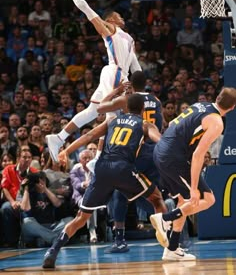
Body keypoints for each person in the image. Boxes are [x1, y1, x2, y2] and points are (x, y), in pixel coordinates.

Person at [42, 93, 166, 268]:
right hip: (123, 168)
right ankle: (172, 243)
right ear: (143, 109)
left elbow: (87, 137)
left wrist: (66, 152)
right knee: (156, 198)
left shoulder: (112, 121)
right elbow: (161, 142)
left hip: (102, 170)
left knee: (81, 217)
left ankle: (53, 250)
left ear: (126, 108)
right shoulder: (145, 124)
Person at [46, 0, 141, 162]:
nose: (120, 16)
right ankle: (104, 158)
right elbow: (87, 10)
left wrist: (140, 88)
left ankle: (59, 138)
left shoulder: (129, 39)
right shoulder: (111, 30)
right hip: (115, 72)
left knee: (93, 112)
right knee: (112, 116)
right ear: (110, 21)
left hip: (118, 74)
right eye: (116, 15)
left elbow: (136, 67)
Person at [150, 87, 236, 261]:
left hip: (162, 150)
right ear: (233, 107)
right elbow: (198, 155)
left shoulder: (200, 105)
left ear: (218, 96)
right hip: (173, 157)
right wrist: (195, 188)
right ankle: (165, 219)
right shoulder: (217, 122)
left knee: (183, 202)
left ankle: (172, 248)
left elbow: (174, 124)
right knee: (207, 198)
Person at [97, 70, 163, 252]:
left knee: (120, 193)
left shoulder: (127, 99)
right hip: (154, 152)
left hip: (136, 152)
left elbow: (100, 107)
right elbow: (160, 126)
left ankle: (119, 239)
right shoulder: (156, 100)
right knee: (154, 196)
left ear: (130, 84)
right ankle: (174, 231)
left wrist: (116, 91)